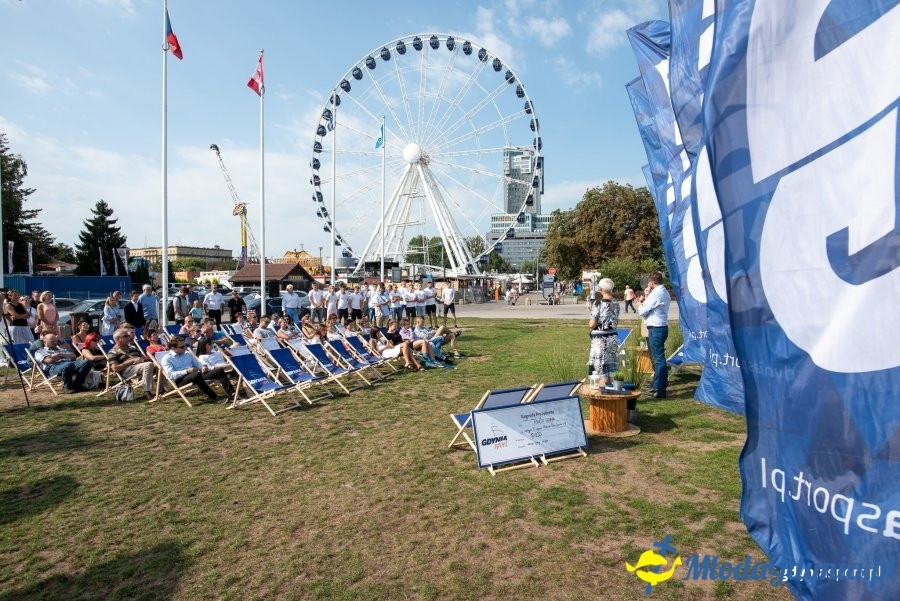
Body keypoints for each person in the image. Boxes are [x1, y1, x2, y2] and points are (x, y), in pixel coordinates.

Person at [161, 336, 234, 402]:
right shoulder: (167, 359)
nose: (185, 348)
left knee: (218, 371)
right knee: (196, 375)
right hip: (181, 380)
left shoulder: (187, 354)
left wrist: (203, 366)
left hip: (195, 375)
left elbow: (197, 364)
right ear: (173, 348)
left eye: (185, 345)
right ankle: (214, 397)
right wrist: (186, 371)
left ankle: (232, 394)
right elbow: (171, 375)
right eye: (182, 347)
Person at [638, 271, 670, 398]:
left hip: (656, 328)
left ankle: (660, 389)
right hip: (659, 327)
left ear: (651, 283)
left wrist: (640, 304)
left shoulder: (657, 294)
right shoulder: (663, 291)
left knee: (658, 359)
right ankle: (657, 384)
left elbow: (643, 311)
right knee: (656, 357)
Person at [107, 327, 157, 400]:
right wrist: (130, 361)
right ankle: (146, 392)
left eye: (128, 335)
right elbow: (115, 368)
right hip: (126, 371)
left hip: (139, 366)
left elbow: (144, 357)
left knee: (158, 365)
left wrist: (141, 360)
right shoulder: (113, 352)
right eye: (125, 336)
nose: (129, 337)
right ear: (118, 339)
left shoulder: (132, 348)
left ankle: (162, 389)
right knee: (148, 365)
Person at [588, 278, 620, 386]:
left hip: (600, 339)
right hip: (612, 337)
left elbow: (592, 324)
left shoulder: (598, 303)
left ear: (601, 289)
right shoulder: (616, 302)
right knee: (611, 368)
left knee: (601, 369)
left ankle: (603, 390)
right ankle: (612, 390)